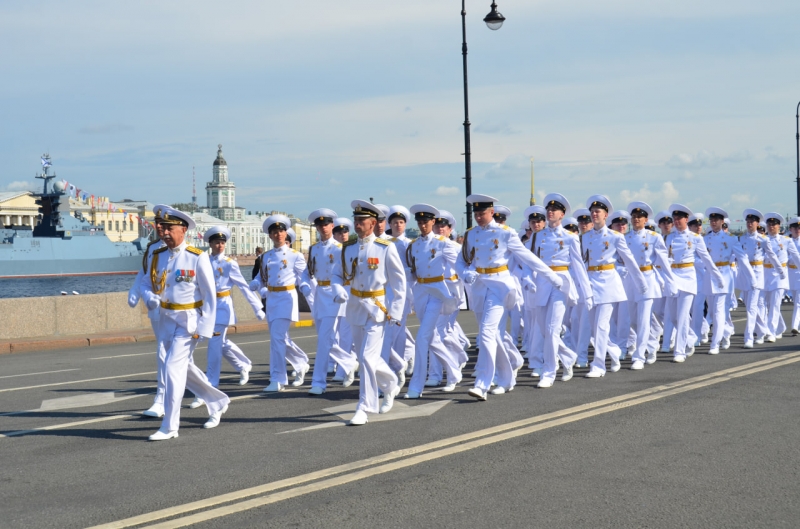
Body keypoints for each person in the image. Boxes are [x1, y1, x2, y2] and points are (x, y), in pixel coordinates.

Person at [456, 194, 565, 400]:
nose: (479, 217)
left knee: (486, 333)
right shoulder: (471, 234)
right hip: (479, 286)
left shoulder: (505, 233)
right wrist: (466, 272)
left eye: (483, 213)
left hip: (499, 286)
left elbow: (527, 257)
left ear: (492, 213)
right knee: (494, 335)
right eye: (476, 214)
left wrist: (550, 276)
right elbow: (461, 261)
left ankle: (482, 383)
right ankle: (507, 376)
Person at [141, 206, 230, 441]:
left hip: (188, 323)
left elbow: (210, 297)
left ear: (183, 230)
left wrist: (204, 329)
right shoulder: (158, 256)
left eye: (169, 228)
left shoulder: (196, 257)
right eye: (162, 228)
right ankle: (218, 401)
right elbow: (148, 283)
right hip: (166, 320)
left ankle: (170, 427)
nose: (164, 232)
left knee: (171, 369)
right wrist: (148, 296)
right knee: (183, 369)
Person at [336, 199, 407, 425]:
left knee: (367, 357)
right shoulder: (348, 248)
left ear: (373, 223)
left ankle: (364, 407)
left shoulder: (385, 247)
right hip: (355, 305)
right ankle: (390, 384)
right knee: (366, 357)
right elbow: (337, 274)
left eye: (361, 221)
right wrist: (338, 289)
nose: (357, 224)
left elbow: (399, 283)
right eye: (355, 220)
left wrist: (395, 312)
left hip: (377, 308)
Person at [193, 227, 265, 407]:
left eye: (222, 242)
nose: (220, 245)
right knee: (221, 343)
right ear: (210, 244)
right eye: (216, 242)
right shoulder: (203, 261)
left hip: (223, 307)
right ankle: (243, 365)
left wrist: (258, 307)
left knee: (214, 344)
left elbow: (243, 286)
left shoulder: (229, 263)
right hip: (207, 307)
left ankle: (210, 386)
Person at [529, 193, 592, 388]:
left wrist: (587, 293)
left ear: (562, 214)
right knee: (546, 331)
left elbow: (579, 266)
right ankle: (568, 355)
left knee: (552, 328)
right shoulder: (537, 236)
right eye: (548, 209)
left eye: (554, 210)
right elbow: (529, 260)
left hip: (561, 284)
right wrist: (526, 279)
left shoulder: (570, 237)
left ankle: (549, 371)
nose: (550, 212)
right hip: (541, 284)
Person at [581, 195, 647, 378]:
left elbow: (629, 260)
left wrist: (640, 283)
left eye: (598, 212)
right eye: (592, 212)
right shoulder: (585, 238)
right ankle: (615, 352)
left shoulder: (615, 236)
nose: (594, 214)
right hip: (591, 282)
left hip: (608, 283)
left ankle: (599, 365)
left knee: (602, 326)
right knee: (595, 328)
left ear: (606, 214)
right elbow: (582, 262)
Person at [404, 203, 462, 398]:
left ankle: (416, 386)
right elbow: (412, 273)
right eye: (419, 222)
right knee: (432, 338)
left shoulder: (442, 243)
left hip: (438, 292)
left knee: (422, 337)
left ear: (433, 222)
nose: (422, 225)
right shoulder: (414, 246)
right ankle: (454, 372)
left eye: (426, 221)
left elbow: (458, 264)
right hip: (421, 292)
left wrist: (469, 275)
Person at [251, 214, 311, 392]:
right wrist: (256, 283)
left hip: (287, 298)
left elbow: (304, 276)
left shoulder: (295, 255)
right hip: (272, 299)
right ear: (270, 236)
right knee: (280, 338)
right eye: (275, 232)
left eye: (281, 231)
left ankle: (278, 378)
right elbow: (261, 277)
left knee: (277, 338)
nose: (278, 234)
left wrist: (307, 288)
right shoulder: (265, 257)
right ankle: (300, 362)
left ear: (286, 234)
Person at [302, 208, 358, 395]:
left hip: (337, 294)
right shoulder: (314, 249)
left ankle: (318, 382)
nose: (322, 228)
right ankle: (349, 363)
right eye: (319, 225)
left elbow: (351, 273)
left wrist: (345, 291)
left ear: (331, 226)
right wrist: (304, 284)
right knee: (326, 339)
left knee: (326, 340)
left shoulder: (341, 249)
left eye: (325, 224)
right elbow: (307, 272)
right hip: (320, 294)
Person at [664, 204, 723, 363]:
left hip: (688, 278)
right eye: (674, 219)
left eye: (679, 219)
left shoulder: (696, 238)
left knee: (683, 316)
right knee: (674, 317)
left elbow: (706, 259)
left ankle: (680, 351)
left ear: (686, 219)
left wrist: (717, 277)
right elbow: (666, 258)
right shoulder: (669, 237)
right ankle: (691, 338)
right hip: (673, 277)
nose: (676, 222)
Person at [624, 201, 676, 369]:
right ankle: (653, 342)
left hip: (647, 278)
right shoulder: (626, 238)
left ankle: (640, 355)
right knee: (633, 320)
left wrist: (670, 281)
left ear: (646, 220)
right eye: (633, 217)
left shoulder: (654, 237)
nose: (636, 219)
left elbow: (663, 261)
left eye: (639, 217)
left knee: (644, 318)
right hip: (631, 280)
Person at [128, 212, 167, 418]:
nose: (159, 227)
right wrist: (136, 291)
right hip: (156, 309)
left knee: (171, 355)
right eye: (157, 223)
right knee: (166, 354)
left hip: (179, 311)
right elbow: (144, 274)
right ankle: (205, 393)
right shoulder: (152, 248)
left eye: (164, 224)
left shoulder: (186, 251)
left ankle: (162, 399)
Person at [702, 207, 755, 354]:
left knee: (719, 311)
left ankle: (715, 344)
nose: (713, 222)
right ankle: (726, 334)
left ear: (722, 222)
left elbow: (742, 259)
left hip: (724, 276)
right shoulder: (705, 239)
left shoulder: (730, 239)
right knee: (713, 312)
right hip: (709, 277)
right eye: (711, 220)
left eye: (716, 220)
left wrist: (752, 277)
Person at [737, 209, 779, 347]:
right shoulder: (741, 238)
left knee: (752, 307)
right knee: (750, 306)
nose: (750, 224)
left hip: (757, 273)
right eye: (748, 222)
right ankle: (763, 331)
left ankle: (748, 337)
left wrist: (779, 269)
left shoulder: (763, 239)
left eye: (752, 222)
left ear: (757, 223)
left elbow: (772, 255)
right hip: (745, 274)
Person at [763, 212, 800, 340]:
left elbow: (796, 257)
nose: (771, 226)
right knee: (768, 304)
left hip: (780, 275)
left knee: (775, 304)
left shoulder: (786, 241)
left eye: (774, 224)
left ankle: (771, 332)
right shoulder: (762, 239)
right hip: (765, 274)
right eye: (769, 224)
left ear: (779, 226)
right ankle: (780, 326)